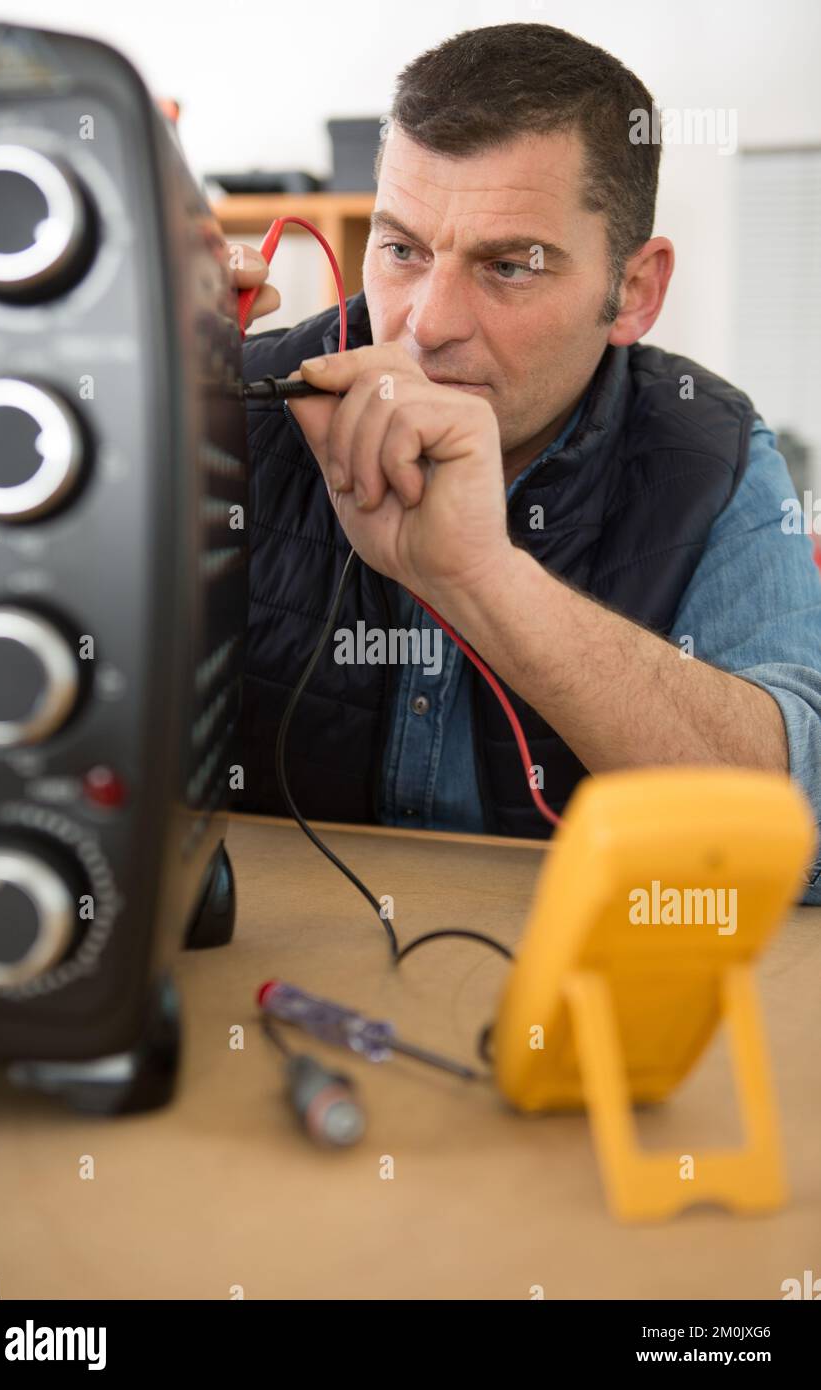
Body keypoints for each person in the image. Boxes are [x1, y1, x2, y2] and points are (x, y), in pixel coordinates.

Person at [229, 22, 821, 902]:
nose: (427, 324)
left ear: (636, 291)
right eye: (401, 250)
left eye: (510, 266)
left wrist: (485, 578)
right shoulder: (237, 402)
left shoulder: (714, 453)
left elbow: (797, 836)